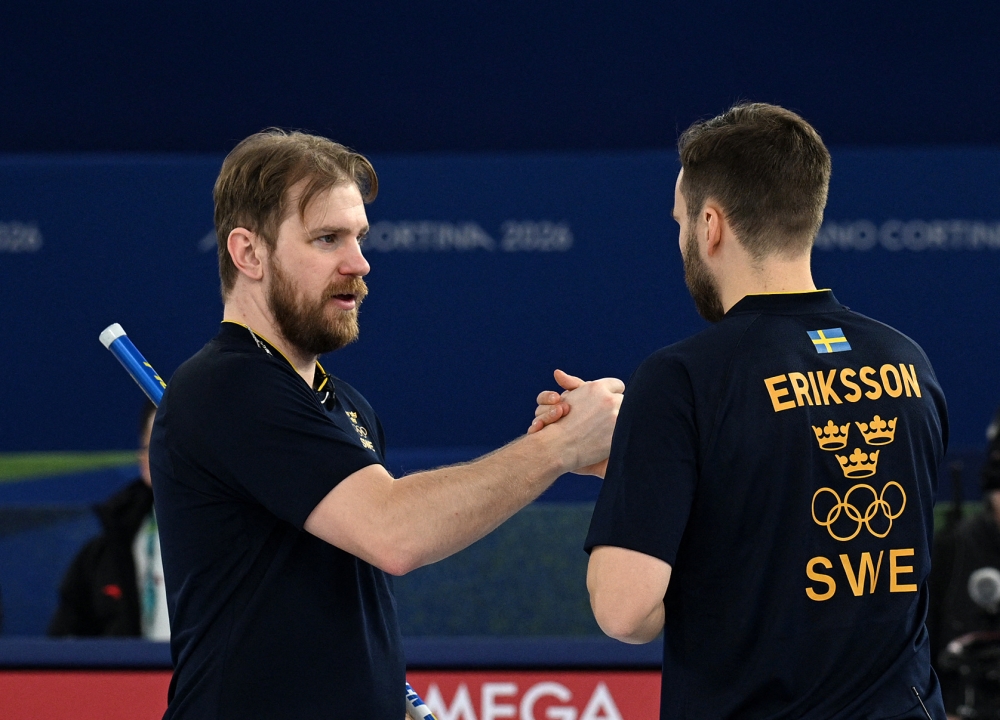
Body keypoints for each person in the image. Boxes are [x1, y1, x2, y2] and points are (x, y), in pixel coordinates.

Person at [148, 129, 622, 719]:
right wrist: (560, 447)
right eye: (327, 239)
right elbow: (395, 531)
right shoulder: (226, 387)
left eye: (359, 237)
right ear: (248, 254)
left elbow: (329, 615)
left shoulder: (344, 404)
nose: (359, 262)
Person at [536, 103, 948, 719]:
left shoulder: (682, 380)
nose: (680, 241)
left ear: (711, 225)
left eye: (679, 223)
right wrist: (651, 477)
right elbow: (795, 525)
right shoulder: (907, 363)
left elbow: (625, 614)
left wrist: (643, 487)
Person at [49, 400, 169, 639]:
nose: (174, 459)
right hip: (133, 676)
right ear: (142, 460)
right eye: (158, 446)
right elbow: (62, 647)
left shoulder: (242, 544)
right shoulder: (102, 556)